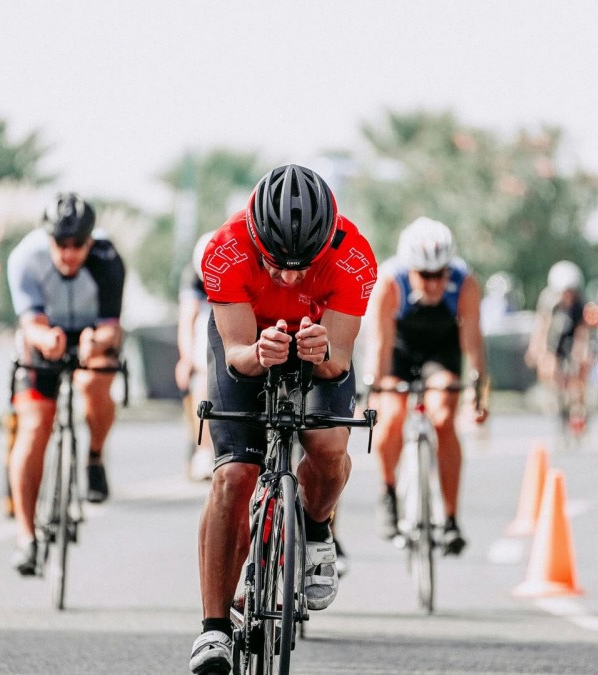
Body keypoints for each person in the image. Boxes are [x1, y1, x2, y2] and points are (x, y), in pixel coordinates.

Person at [189, 164, 377, 674]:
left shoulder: (354, 256)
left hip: (319, 342)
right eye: (277, 264)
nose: (291, 277)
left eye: (304, 265)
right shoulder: (225, 250)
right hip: (251, 341)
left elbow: (339, 361)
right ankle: (214, 629)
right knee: (233, 475)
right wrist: (257, 351)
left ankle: (316, 531)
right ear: (255, 238)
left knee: (328, 446)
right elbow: (236, 355)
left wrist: (323, 352)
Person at [5, 193, 126, 576]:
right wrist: (48, 340)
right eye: (61, 243)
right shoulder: (25, 259)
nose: (69, 253)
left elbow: (112, 328)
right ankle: (26, 538)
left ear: (91, 241)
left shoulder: (107, 258)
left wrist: (95, 342)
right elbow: (30, 325)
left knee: (95, 381)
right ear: (48, 238)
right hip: (45, 335)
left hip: (92, 336)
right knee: (35, 426)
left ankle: (94, 456)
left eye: (78, 244)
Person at [363, 217, 489, 556]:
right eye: (425, 275)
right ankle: (388, 493)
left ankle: (450, 519)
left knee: (443, 416)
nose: (434, 284)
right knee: (391, 415)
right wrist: (374, 393)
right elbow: (379, 344)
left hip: (440, 353)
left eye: (440, 274)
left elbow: (473, 344)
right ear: (409, 269)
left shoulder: (465, 283)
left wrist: (478, 396)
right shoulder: (390, 282)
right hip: (400, 352)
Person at [525, 260, 592, 432]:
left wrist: (581, 352)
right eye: (564, 292)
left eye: (571, 292)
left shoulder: (581, 305)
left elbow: (583, 331)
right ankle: (556, 398)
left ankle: (579, 408)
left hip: (572, 338)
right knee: (549, 367)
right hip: (555, 340)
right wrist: (537, 350)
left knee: (581, 367)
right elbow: (542, 327)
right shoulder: (549, 302)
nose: (567, 296)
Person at [177, 230, 217, 482]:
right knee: (202, 378)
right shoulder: (192, 276)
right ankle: (203, 450)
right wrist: (186, 359)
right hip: (207, 329)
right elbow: (187, 319)